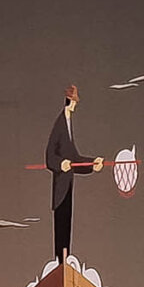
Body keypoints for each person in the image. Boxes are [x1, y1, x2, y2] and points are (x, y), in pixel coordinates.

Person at [45, 85, 103, 259]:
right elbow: (49, 156)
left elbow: (74, 159)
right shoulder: (60, 124)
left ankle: (64, 259)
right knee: (61, 224)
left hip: (68, 183)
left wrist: (92, 164)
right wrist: (60, 163)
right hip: (61, 186)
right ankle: (60, 261)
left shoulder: (68, 124)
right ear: (69, 101)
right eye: (74, 102)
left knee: (66, 223)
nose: (76, 105)